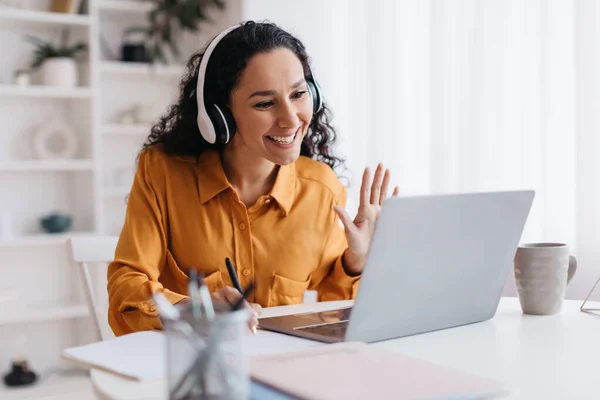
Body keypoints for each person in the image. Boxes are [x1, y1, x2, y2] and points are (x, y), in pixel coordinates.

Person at [106, 21, 398, 337]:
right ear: (220, 115)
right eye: (265, 103)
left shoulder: (322, 189)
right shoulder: (162, 173)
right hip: (191, 368)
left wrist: (356, 263)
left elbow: (334, 315)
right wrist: (195, 310)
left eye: (298, 94)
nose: (291, 119)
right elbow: (127, 286)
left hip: (282, 370)